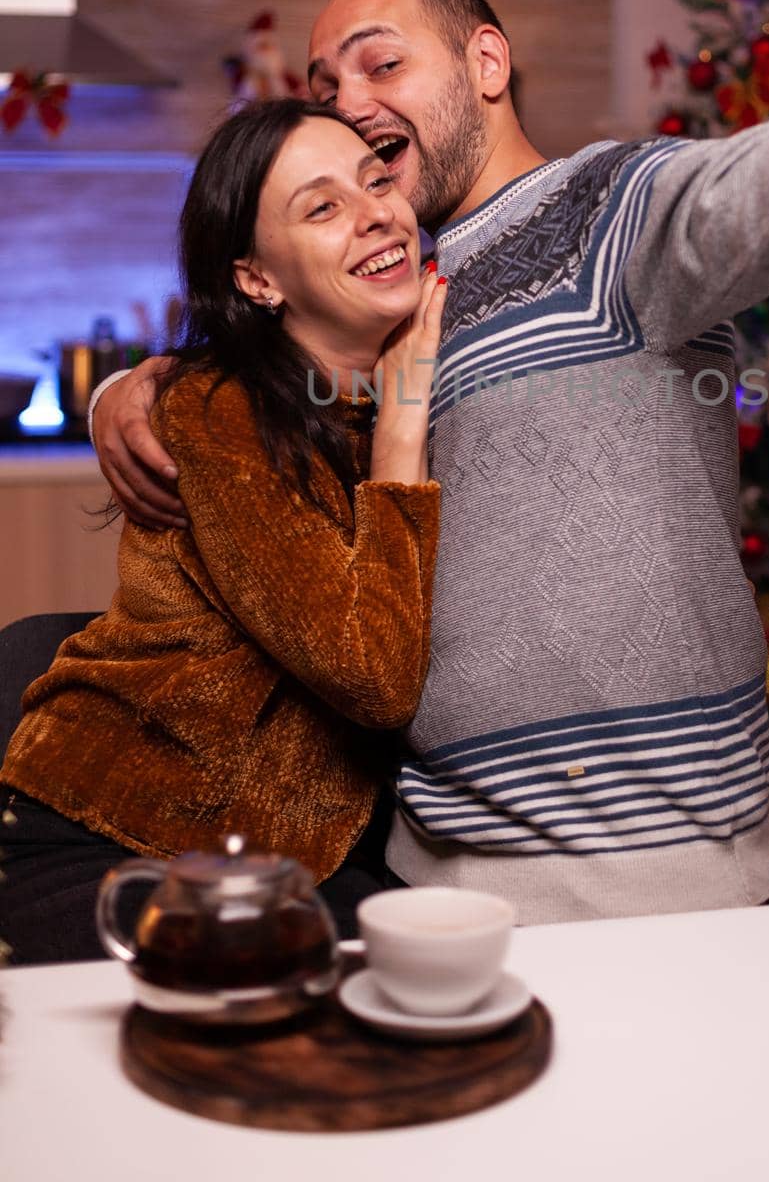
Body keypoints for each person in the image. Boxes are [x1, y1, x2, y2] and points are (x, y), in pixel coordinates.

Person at [88, 0, 769, 923]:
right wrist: (137, 389)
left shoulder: (608, 216)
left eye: (380, 61)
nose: (346, 99)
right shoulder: (385, 298)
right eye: (325, 80)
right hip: (421, 884)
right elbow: (264, 413)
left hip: (653, 892)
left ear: (486, 63)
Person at [0, 100, 446, 964]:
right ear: (257, 280)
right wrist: (403, 429)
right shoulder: (220, 410)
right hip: (115, 841)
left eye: (376, 181)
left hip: (284, 856)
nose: (374, 215)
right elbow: (374, 675)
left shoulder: (369, 392)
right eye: (321, 208)